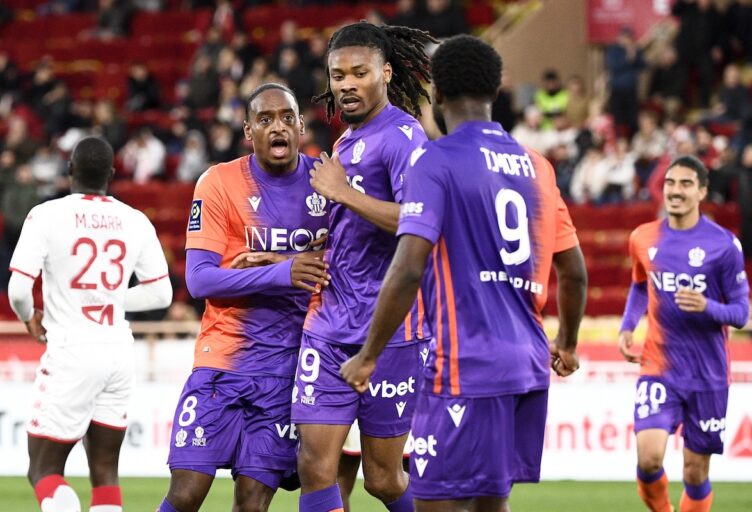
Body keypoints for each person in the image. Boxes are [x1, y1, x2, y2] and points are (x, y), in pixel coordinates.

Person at [341, 34, 588, 512]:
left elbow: (407, 268)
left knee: (437, 504)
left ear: (436, 93)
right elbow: (574, 271)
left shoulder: (437, 160)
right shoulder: (537, 167)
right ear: (495, 91)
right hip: (528, 366)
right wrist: (569, 343)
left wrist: (368, 356)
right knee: (490, 503)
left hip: (465, 366)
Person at [156, 83, 330, 512]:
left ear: (301, 126)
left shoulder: (327, 182)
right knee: (186, 493)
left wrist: (283, 263)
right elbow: (200, 280)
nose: (278, 127)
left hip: (287, 370)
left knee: (252, 503)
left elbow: (349, 262)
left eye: (287, 118)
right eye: (265, 119)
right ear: (249, 130)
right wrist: (285, 272)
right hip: (223, 361)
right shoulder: (219, 182)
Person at [293, 21, 436, 512]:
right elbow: (351, 229)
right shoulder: (349, 140)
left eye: (360, 73)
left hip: (390, 331)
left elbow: (420, 221)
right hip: (329, 324)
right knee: (315, 466)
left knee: (382, 478)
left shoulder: (403, 136)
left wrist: (342, 193)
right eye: (338, 76)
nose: (347, 85)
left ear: (386, 73)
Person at [8, 136, 173, 512]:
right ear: (112, 174)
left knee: (43, 470)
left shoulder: (46, 215)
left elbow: (18, 289)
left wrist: (29, 316)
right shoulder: (135, 220)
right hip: (118, 352)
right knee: (105, 473)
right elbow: (161, 294)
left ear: (69, 170)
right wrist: (109, 300)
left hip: (71, 349)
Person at [618, 155, 750, 512]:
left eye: (686, 184)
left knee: (695, 471)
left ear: (702, 191)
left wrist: (707, 306)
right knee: (649, 459)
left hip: (708, 373)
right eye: (670, 183)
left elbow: (741, 313)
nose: (676, 191)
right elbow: (640, 284)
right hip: (660, 366)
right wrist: (628, 326)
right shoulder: (643, 237)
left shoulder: (724, 245)